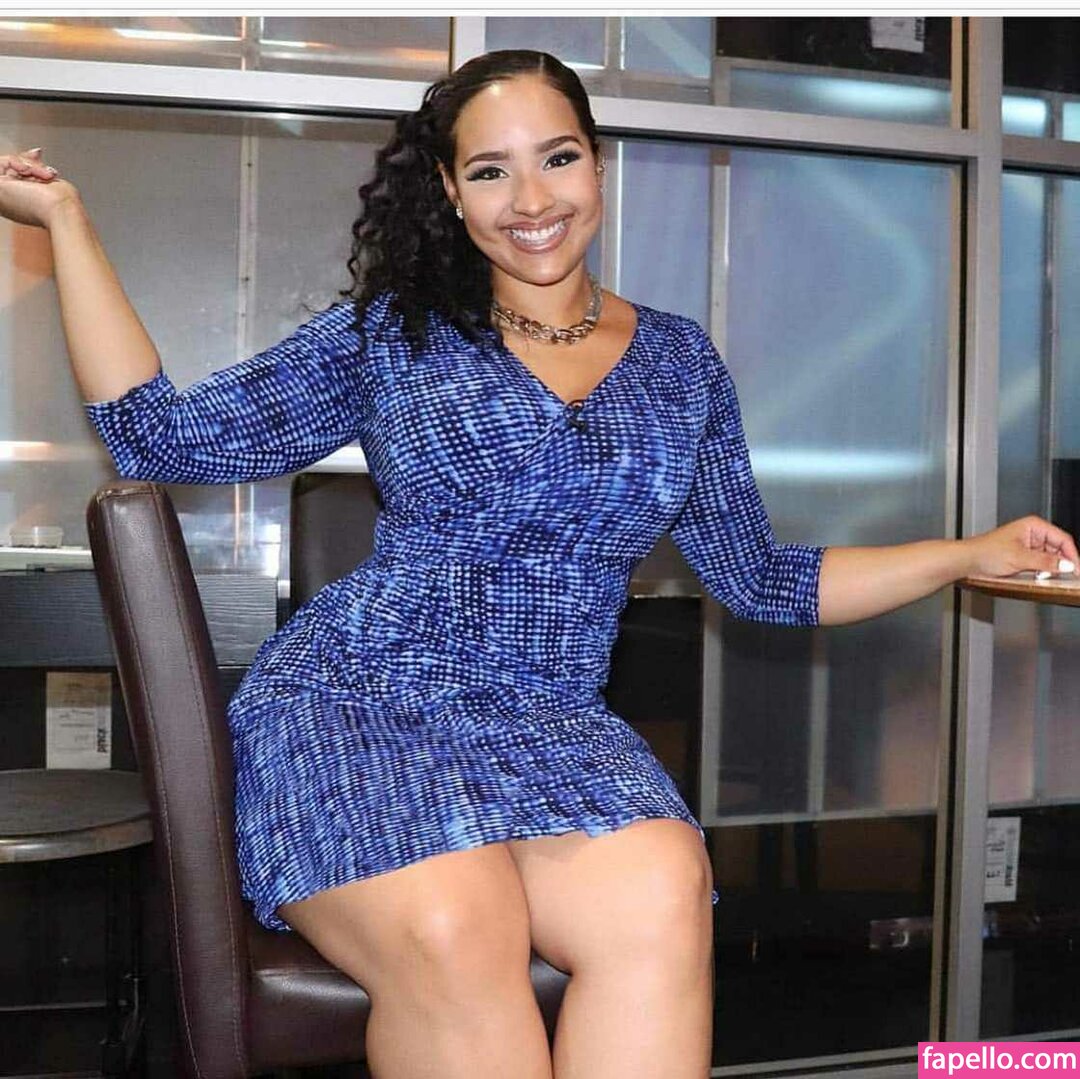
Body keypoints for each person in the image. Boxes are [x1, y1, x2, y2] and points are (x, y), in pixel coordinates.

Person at [1, 47, 1075, 1079]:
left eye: (557, 156)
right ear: (450, 191)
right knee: (456, 926)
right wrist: (67, 222)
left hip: (550, 722)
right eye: (490, 170)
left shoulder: (681, 364)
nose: (531, 198)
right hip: (361, 700)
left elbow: (762, 576)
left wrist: (965, 553)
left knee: (663, 892)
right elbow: (162, 438)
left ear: (596, 163)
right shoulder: (395, 333)